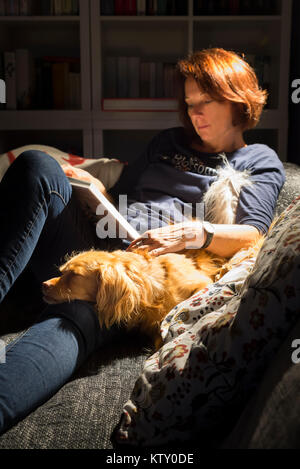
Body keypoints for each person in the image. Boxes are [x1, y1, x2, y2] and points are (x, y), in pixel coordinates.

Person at [0, 48, 285, 435]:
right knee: (37, 165)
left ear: (237, 99)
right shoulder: (168, 141)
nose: (194, 114)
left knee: (78, 315)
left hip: (145, 274)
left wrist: (198, 233)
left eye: (206, 102)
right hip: (102, 238)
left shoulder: (258, 159)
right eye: (189, 104)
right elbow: (126, 195)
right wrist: (91, 189)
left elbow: (254, 233)